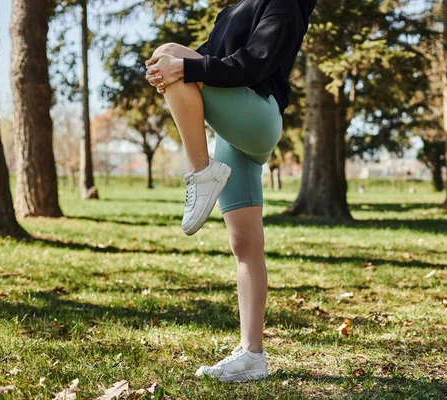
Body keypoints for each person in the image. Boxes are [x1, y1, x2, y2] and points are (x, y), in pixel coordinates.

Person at [144, 0, 317, 383]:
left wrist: (178, 66)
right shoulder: (234, 9)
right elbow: (206, 61)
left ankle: (201, 171)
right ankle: (253, 355)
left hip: (257, 114)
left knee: (168, 53)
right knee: (245, 246)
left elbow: (254, 62)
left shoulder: (285, 3)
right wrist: (168, 76)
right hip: (232, 134)